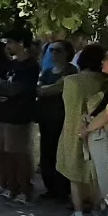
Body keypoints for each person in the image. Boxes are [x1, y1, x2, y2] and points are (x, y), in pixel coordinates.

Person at [60, 44, 108, 216]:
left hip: (72, 127)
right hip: (98, 129)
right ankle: (98, 209)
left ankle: (78, 211)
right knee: (95, 174)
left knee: (74, 173)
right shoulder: (106, 80)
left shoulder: (70, 81)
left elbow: (68, 107)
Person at [0, 33, 40, 203]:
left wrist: (7, 88)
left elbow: (18, 89)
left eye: (11, 41)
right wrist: (6, 88)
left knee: (17, 154)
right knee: (0, 151)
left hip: (19, 116)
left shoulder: (31, 66)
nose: (8, 45)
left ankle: (24, 190)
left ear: (22, 43)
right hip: (1, 113)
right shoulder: (9, 64)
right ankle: (8, 187)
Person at [80, 45, 108, 216]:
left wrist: (87, 128)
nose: (102, 61)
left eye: (107, 57)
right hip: (101, 135)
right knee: (103, 179)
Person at [37, 41, 78, 203]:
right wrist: (48, 88)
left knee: (59, 154)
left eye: (58, 50)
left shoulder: (71, 70)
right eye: (51, 50)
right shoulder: (47, 71)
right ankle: (50, 189)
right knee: (46, 153)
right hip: (46, 117)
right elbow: (39, 89)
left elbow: (58, 88)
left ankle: (62, 190)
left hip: (62, 118)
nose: (54, 54)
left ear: (68, 53)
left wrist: (47, 89)